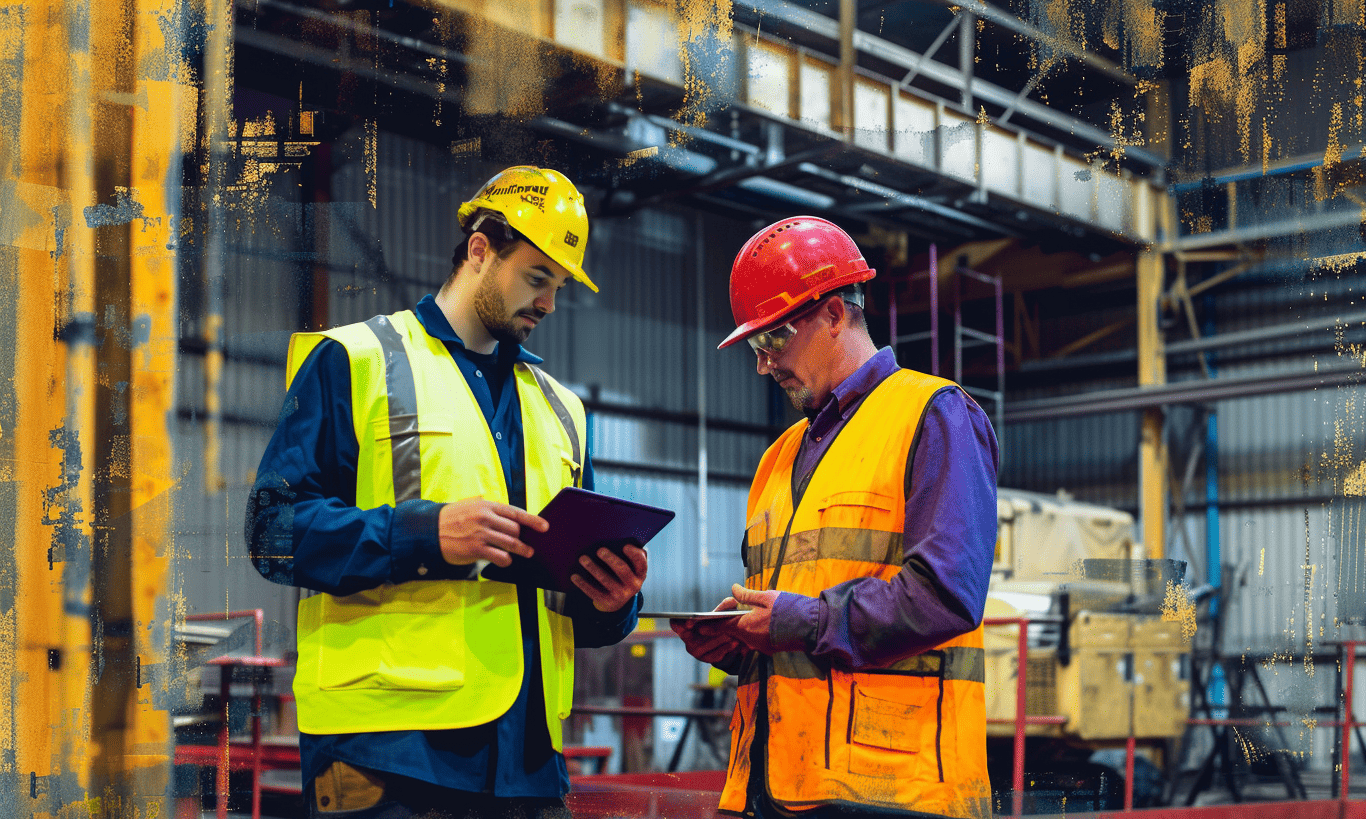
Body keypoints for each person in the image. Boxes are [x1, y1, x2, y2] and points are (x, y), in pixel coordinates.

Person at [246, 165, 648, 819]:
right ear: (481, 250)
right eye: (537, 276)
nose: (548, 302)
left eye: (558, 285)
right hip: (389, 756)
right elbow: (273, 533)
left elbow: (572, 597)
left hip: (528, 764)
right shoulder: (357, 360)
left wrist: (612, 601)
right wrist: (426, 535)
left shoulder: (561, 410)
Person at [673, 216, 998, 819]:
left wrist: (801, 621)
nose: (764, 363)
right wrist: (735, 641)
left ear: (832, 314)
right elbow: (794, 621)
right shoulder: (778, 457)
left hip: (893, 789)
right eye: (755, 344)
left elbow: (946, 595)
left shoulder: (932, 416)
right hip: (771, 785)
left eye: (774, 338)